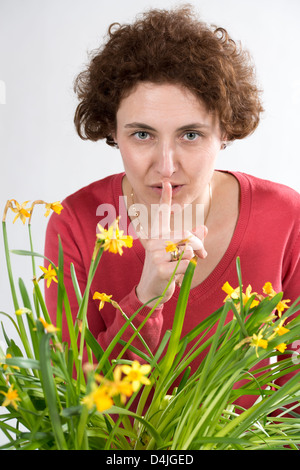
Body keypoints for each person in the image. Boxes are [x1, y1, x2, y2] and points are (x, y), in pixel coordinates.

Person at [44, 6, 300, 408]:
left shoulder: (287, 218)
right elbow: (75, 406)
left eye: (191, 134)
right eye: (142, 134)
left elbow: (294, 397)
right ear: (111, 130)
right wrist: (147, 296)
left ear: (225, 131)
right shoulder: (75, 222)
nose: (166, 166)